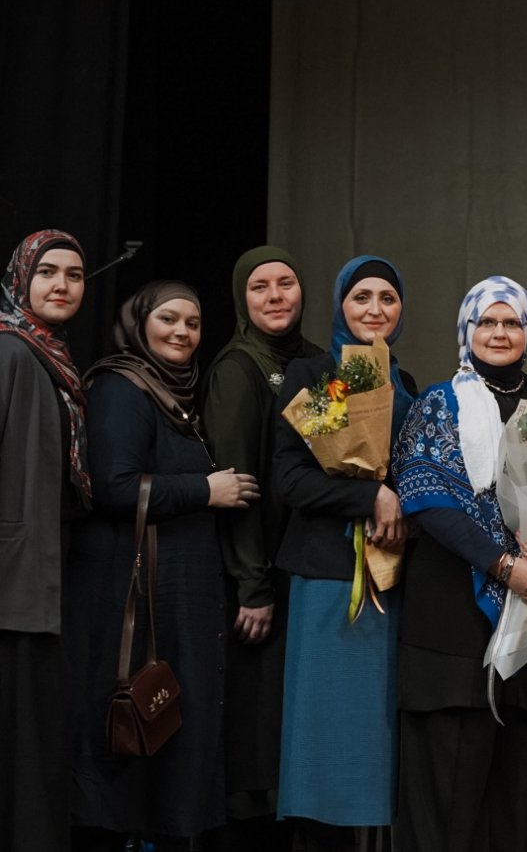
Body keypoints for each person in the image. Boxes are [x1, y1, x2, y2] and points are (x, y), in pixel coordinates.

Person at [392, 274, 527, 852]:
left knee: (518, 802)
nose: (499, 332)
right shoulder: (439, 403)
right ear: (467, 329)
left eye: (511, 322)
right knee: (446, 806)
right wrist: (503, 564)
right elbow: (425, 498)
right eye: (486, 321)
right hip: (452, 634)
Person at [69, 281, 260, 848]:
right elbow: (113, 486)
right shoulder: (121, 387)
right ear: (139, 323)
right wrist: (206, 490)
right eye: (168, 319)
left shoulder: (173, 394)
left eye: (193, 323)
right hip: (135, 599)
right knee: (134, 740)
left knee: (172, 735)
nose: (182, 332)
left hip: (172, 600)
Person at [271, 255, 416, 848]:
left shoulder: (406, 384)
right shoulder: (321, 376)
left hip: (391, 578)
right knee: (325, 733)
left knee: (375, 738)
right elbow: (290, 479)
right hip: (329, 578)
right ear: (340, 305)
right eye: (362, 297)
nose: (375, 310)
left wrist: (401, 504)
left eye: (387, 298)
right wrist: (370, 497)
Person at [200, 246, 323, 846]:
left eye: (286, 283)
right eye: (260, 287)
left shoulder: (319, 362)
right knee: (256, 738)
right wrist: (253, 584)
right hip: (258, 579)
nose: (275, 296)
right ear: (240, 298)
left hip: (306, 569)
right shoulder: (237, 368)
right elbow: (238, 485)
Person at [0, 230, 91, 852]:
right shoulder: (10, 350)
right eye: (48, 272)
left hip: (40, 576)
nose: (61, 285)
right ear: (21, 278)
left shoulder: (51, 357)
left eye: (74, 275)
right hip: (11, 586)